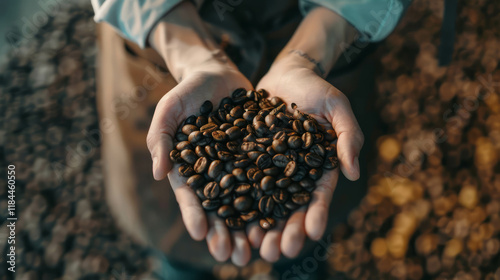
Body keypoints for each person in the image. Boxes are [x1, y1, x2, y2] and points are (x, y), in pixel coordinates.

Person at [91, 0, 410, 278]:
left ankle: (301, 268)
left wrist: (311, 51)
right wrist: (192, 55)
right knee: (173, 232)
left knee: (304, 240)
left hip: (321, 43)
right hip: (164, 42)